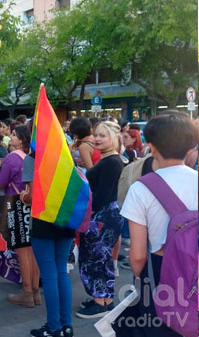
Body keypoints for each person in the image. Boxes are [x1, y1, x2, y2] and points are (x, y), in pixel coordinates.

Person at [119, 112, 198, 336]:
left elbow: (137, 257)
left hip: (159, 272)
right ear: (190, 149)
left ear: (151, 147)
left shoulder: (141, 189)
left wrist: (138, 273)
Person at [22, 151, 75, 337]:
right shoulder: (63, 153)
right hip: (66, 218)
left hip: (44, 220)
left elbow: (36, 194)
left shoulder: (32, 158)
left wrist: (24, 197)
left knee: (50, 274)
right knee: (61, 271)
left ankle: (54, 328)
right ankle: (66, 326)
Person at [76, 121, 125, 319]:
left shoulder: (112, 161)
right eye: (96, 135)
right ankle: (104, 299)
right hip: (106, 214)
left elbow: (102, 194)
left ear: (113, 138)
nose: (97, 139)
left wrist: (88, 213)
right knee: (101, 258)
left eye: (102, 136)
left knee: (95, 258)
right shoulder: (110, 159)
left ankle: (100, 302)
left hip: (103, 215)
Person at [0, 124, 40, 307]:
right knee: (33, 251)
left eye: (15, 135)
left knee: (22, 251)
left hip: (17, 203)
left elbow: (0, 183)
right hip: (33, 205)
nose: (11, 136)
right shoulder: (32, 157)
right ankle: (35, 291)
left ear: (23, 139)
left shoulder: (12, 158)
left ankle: (26, 291)